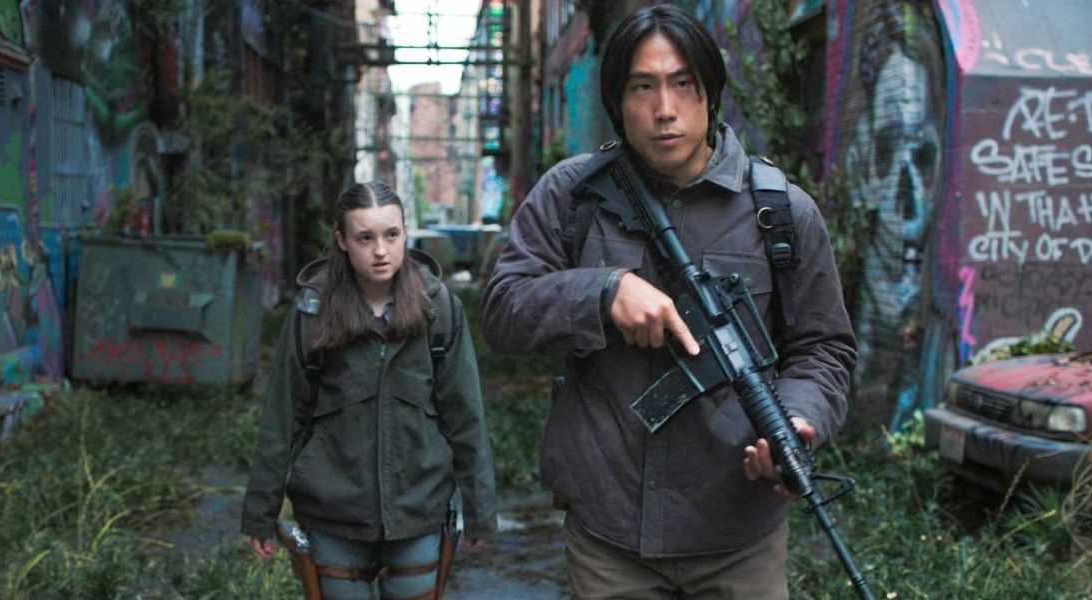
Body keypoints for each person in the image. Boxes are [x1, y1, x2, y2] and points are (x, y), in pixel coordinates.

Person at [480, 5, 856, 599]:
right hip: (609, 537)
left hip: (740, 537)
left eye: (683, 83)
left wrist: (798, 421)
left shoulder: (781, 213)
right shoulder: (572, 196)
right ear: (617, 100)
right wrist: (601, 291)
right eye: (642, 86)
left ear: (711, 94)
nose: (664, 108)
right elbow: (503, 310)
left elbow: (823, 350)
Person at [242, 181, 497, 599]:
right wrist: (260, 513)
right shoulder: (312, 313)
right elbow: (282, 418)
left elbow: (466, 416)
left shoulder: (439, 309)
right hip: (332, 516)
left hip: (419, 512)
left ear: (405, 233)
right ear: (341, 241)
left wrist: (480, 510)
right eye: (365, 238)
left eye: (391, 235)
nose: (381, 250)